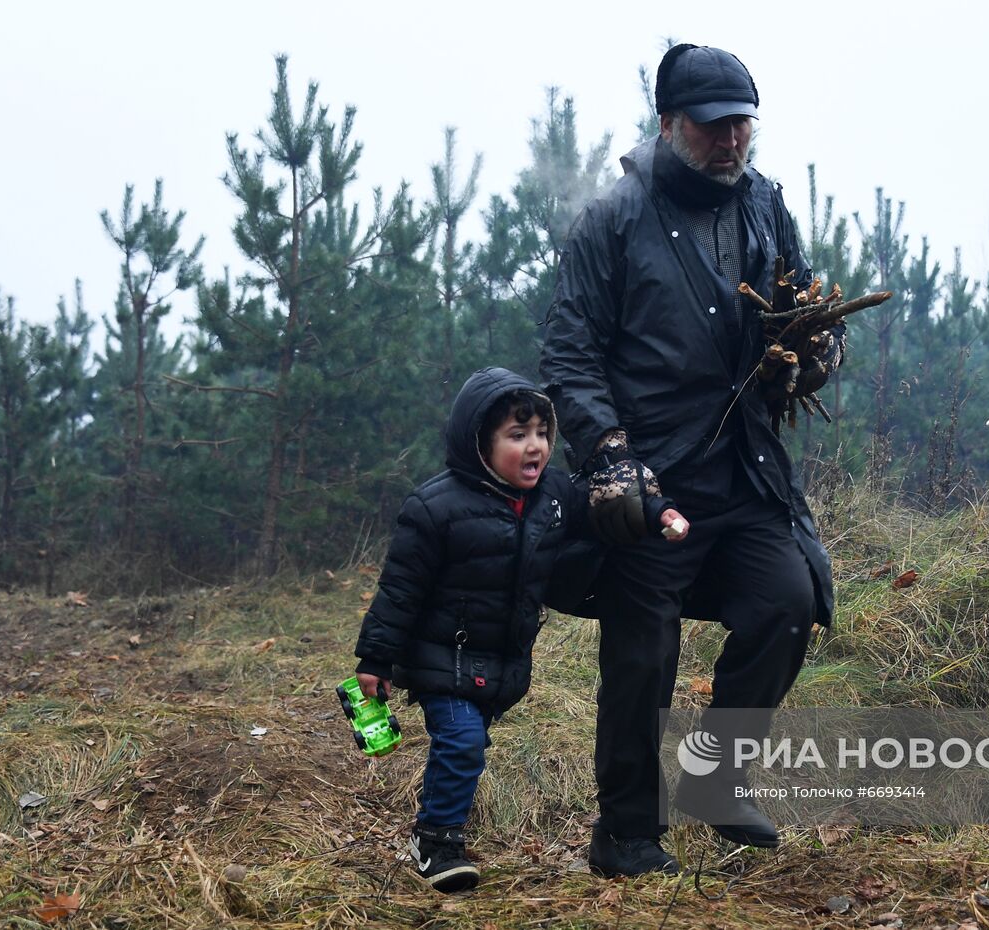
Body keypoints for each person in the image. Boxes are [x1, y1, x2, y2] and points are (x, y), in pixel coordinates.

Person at [540, 44, 839, 877]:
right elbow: (569, 354)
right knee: (644, 656)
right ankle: (627, 833)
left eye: (742, 123)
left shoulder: (766, 207)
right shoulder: (612, 220)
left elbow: (802, 310)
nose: (730, 141)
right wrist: (607, 455)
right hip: (651, 482)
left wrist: (812, 353)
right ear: (669, 124)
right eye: (712, 126)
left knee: (787, 600)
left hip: (745, 474)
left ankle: (716, 781)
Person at [353, 367, 688, 892]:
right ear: (480, 443)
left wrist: (655, 512)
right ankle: (436, 840)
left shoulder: (553, 494)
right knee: (462, 740)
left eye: (541, 434)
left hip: (502, 661)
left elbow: (603, 508)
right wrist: (375, 660)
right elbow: (400, 591)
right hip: (443, 655)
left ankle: (440, 824)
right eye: (517, 435)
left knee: (467, 744)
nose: (535, 447)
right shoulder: (434, 508)